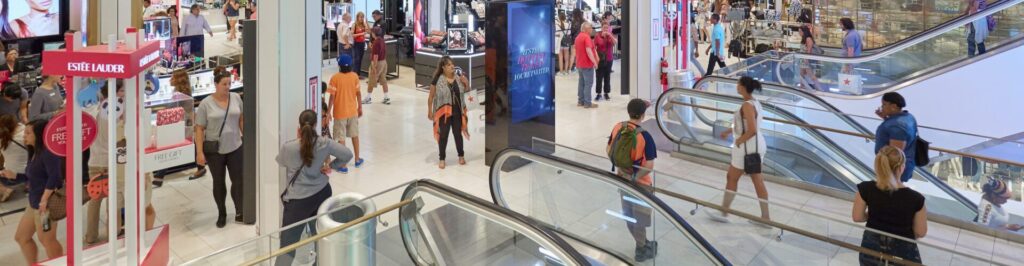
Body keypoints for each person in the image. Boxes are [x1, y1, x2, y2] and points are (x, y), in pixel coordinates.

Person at [274, 110, 353, 266]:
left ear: (299, 127)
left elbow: (282, 162)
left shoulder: (288, 147)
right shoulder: (325, 143)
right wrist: (330, 166)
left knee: (288, 245)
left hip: (298, 202)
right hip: (321, 193)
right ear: (316, 125)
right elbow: (347, 154)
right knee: (321, 237)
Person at [84, 81, 157, 244]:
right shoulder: (116, 112)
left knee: (95, 201)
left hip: (95, 160)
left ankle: (91, 235)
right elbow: (123, 139)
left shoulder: (93, 110)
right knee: (114, 202)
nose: (125, 94)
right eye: (122, 90)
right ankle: (115, 235)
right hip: (113, 162)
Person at [706, 77, 771, 225]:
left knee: (732, 177)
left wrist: (739, 140)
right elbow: (747, 125)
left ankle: (724, 212)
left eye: (738, 84)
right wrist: (729, 131)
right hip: (756, 145)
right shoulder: (755, 103)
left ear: (742, 87)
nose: (736, 86)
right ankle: (765, 218)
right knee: (756, 180)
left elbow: (752, 130)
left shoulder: (747, 105)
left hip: (747, 148)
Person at [853, 146, 927, 265]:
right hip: (903, 250)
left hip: (871, 247)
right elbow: (920, 232)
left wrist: (872, 216)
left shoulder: (865, 188)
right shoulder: (916, 199)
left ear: (878, 166)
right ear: (902, 168)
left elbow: (857, 217)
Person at [606, 99, 659, 262]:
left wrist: (623, 171)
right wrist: (635, 176)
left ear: (628, 112)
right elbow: (649, 165)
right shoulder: (645, 136)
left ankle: (641, 242)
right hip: (641, 184)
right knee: (640, 218)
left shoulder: (618, 127)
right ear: (643, 115)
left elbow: (609, 150)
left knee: (629, 214)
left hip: (622, 179)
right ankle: (641, 249)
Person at [195, 73, 245, 228]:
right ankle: (222, 213)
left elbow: (241, 119)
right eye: (224, 84)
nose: (227, 87)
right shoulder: (205, 104)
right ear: (215, 84)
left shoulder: (236, 98)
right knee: (219, 182)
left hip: (235, 146)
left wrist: (246, 138)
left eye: (229, 83)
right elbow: (199, 129)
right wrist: (200, 152)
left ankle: (239, 211)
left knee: (238, 181)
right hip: (214, 150)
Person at [14, 119, 64, 264]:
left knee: (47, 240)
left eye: (28, 133)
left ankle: (60, 262)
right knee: (22, 237)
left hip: (45, 205)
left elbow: (55, 178)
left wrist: (44, 199)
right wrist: (15, 176)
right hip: (34, 202)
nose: (24, 136)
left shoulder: (48, 153)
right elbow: (34, 176)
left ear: (39, 134)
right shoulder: (34, 152)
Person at [427, 56, 470, 169]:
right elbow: (431, 96)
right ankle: (442, 158)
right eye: (449, 65)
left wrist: (467, 84)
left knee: (457, 134)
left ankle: (461, 156)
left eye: (452, 64)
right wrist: (429, 111)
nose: (452, 66)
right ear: (443, 67)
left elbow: (465, 92)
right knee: (443, 135)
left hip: (457, 111)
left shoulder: (459, 78)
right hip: (443, 113)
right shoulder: (437, 80)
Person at [326, 54, 365, 173]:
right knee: (355, 135)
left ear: (339, 66)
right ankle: (357, 159)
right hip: (352, 111)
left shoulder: (335, 78)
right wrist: (360, 107)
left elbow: (332, 97)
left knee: (341, 138)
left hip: (340, 113)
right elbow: (358, 93)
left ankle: (343, 165)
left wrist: (328, 112)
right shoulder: (354, 77)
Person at [874, 92, 918, 183]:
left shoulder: (897, 126)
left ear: (893, 106)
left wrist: (886, 173)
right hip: (902, 166)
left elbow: (895, 155)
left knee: (890, 193)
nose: (882, 108)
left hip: (892, 170)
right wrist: (886, 118)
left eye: (884, 105)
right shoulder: (908, 117)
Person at [0, 114, 27, 202]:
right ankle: (28, 184)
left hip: (12, 177)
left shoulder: (3, 139)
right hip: (30, 174)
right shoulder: (27, 133)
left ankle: (5, 190)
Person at [575, 23, 599, 109]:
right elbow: (588, 51)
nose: (592, 30)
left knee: (581, 83)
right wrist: (594, 62)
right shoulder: (586, 37)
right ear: (586, 29)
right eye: (590, 28)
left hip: (579, 64)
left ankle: (580, 101)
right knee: (588, 84)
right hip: (587, 64)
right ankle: (587, 103)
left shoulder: (578, 37)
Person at [364, 27, 390, 105]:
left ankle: (368, 98)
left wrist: (374, 67)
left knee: (371, 80)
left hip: (377, 63)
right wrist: (373, 48)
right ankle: (386, 97)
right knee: (383, 79)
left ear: (374, 33)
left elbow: (375, 55)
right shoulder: (382, 40)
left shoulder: (375, 42)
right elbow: (380, 51)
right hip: (383, 62)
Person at [594, 20, 616, 102]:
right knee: (599, 77)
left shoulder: (610, 35)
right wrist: (595, 59)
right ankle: (598, 93)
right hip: (600, 59)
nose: (606, 29)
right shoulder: (597, 36)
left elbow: (615, 43)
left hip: (609, 59)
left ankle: (606, 93)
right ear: (601, 27)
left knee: (607, 76)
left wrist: (610, 35)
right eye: (604, 27)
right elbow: (594, 48)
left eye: (607, 27)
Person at [353, 12, 370, 78]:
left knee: (360, 59)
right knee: (356, 59)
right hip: (356, 43)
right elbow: (352, 35)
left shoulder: (364, 24)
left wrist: (367, 23)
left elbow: (368, 31)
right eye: (360, 17)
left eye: (363, 17)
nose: (362, 18)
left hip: (362, 43)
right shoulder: (354, 25)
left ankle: (358, 74)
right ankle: (354, 75)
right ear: (357, 17)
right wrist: (361, 34)